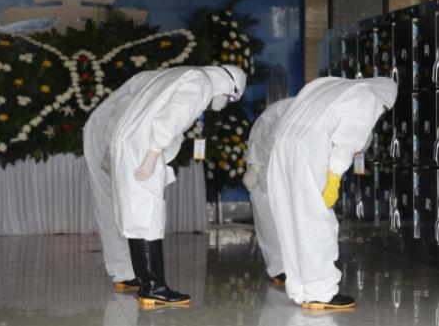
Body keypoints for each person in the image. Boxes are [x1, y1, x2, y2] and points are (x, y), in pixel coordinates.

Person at [84, 65, 246, 307]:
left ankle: (144, 281)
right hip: (143, 148)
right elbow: (172, 117)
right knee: (147, 217)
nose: (224, 102)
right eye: (230, 97)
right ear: (229, 86)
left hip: (130, 144)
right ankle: (154, 287)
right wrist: (153, 152)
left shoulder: (178, 74)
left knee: (137, 216)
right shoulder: (201, 82)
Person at [266, 77, 397, 309]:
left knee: (289, 219)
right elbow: (348, 140)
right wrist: (335, 175)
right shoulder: (369, 96)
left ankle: (301, 288)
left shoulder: (327, 85)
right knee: (316, 220)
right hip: (309, 148)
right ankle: (321, 292)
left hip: (282, 145)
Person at [242, 97, 295, 285]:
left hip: (288, 162)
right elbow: (263, 142)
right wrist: (255, 169)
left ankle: (296, 266)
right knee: (269, 217)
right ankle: (279, 268)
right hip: (265, 163)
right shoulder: (285, 117)